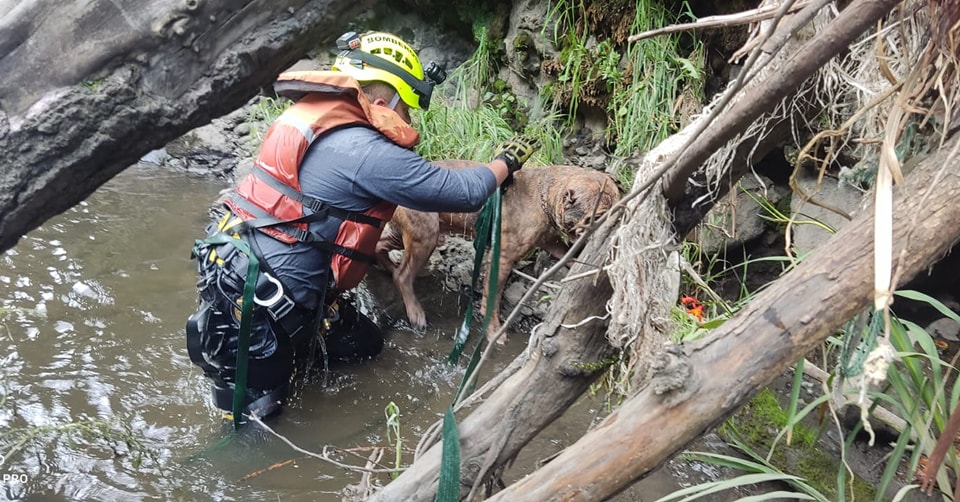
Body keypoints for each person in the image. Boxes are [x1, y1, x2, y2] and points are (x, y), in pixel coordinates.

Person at [184, 30, 538, 421]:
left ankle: (301, 357)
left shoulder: (312, 117)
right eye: (407, 110)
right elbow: (466, 192)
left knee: (365, 344)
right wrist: (507, 160)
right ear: (384, 101)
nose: (407, 122)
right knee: (256, 431)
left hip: (237, 268)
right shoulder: (367, 152)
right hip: (257, 309)